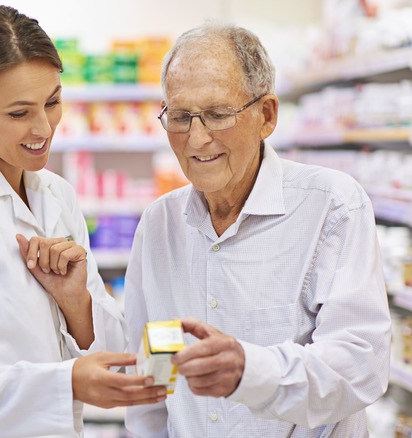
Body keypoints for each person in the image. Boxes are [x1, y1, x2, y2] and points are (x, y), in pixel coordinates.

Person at [0, 6, 166, 438]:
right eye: (19, 113)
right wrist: (65, 381)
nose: (44, 128)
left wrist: (75, 301)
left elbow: (114, 354)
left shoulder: (56, 194)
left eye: (53, 102)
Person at [124, 23, 391, 437]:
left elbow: (359, 366)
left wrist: (251, 372)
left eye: (217, 114)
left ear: (266, 115)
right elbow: (155, 377)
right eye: (179, 117)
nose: (197, 139)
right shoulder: (160, 225)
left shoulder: (332, 206)